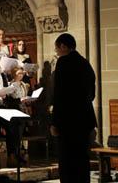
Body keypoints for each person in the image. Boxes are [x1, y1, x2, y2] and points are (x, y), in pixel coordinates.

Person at [50, 33, 96, 183]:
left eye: (57, 49)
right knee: (82, 160)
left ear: (63, 46)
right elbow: (92, 94)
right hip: (85, 120)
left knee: (67, 162)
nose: (57, 53)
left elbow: (60, 95)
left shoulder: (63, 62)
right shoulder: (85, 63)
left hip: (67, 122)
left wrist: (55, 122)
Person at [5, 66, 31, 166]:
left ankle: (17, 155)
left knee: (19, 135)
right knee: (13, 135)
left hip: (22, 111)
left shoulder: (24, 84)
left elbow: (24, 96)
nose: (21, 75)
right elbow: (9, 100)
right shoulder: (11, 84)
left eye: (22, 73)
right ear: (14, 74)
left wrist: (29, 100)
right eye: (19, 73)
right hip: (13, 112)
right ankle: (12, 157)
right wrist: (20, 100)